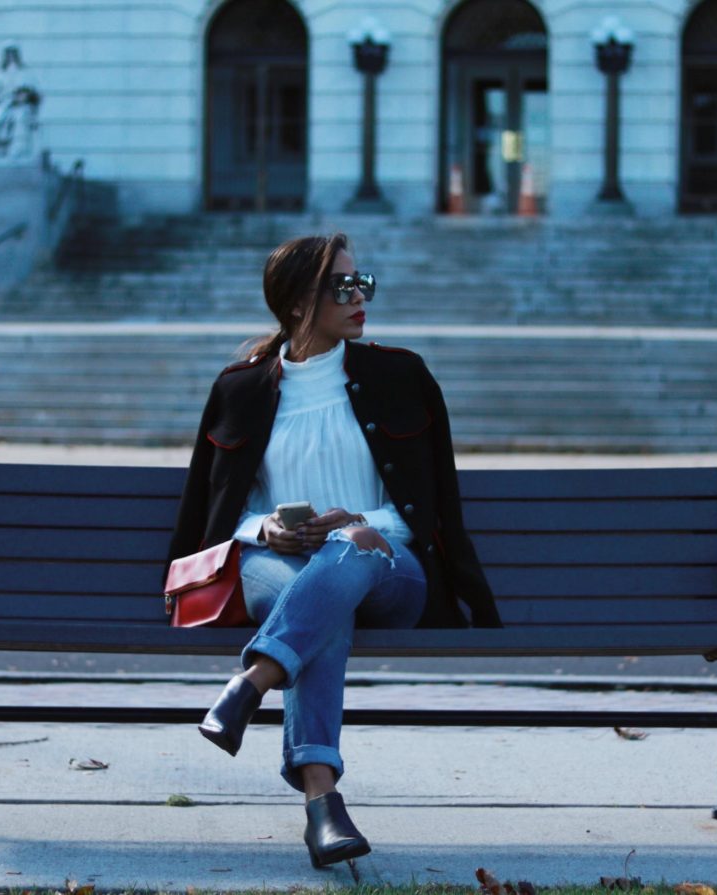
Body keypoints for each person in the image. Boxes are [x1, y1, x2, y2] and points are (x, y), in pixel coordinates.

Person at [166, 233, 501, 868]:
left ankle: (253, 678)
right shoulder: (240, 389)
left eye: (361, 282)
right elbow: (221, 514)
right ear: (297, 305)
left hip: (388, 567)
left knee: (350, 550)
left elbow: (426, 508)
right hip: (278, 566)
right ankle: (323, 803)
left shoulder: (400, 376)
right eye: (342, 285)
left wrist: (359, 521)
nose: (359, 296)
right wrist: (267, 530)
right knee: (323, 609)